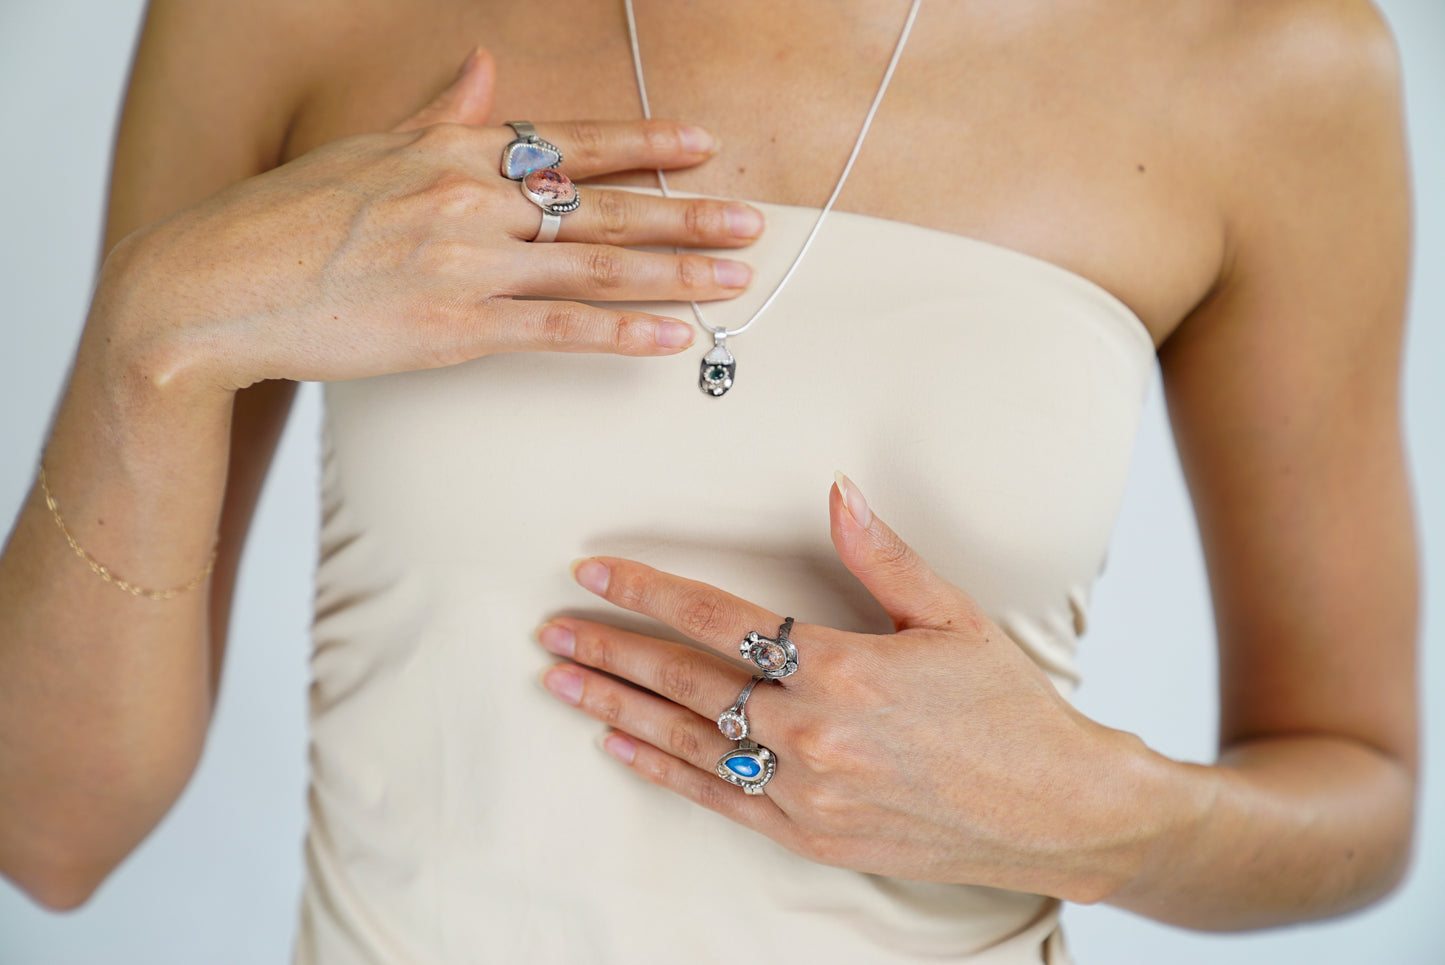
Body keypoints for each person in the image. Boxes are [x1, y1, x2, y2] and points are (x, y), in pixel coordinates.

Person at [0, 0, 1418, 962]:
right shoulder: (291, 17)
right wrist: (155, 328)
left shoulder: (1271, 59)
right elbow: (50, 836)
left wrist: (1098, 810)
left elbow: (1364, 796)